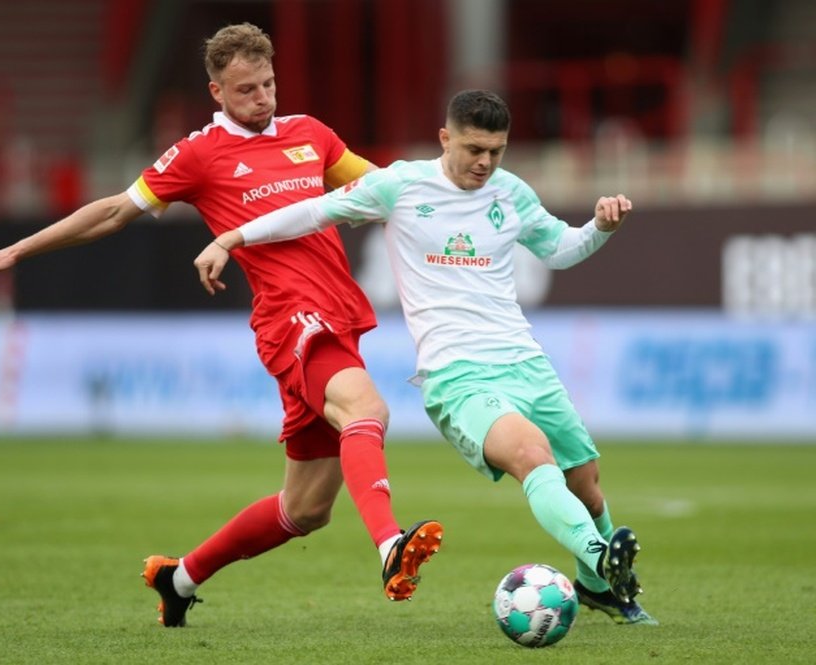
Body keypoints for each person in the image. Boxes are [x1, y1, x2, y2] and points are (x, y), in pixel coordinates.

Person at [0, 22, 442, 628]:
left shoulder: (311, 135)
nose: (262, 98)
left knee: (305, 509)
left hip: (337, 317)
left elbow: (382, 187)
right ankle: (389, 547)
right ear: (216, 92)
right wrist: (18, 251)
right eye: (245, 89)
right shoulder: (199, 154)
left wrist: (452, 189)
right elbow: (115, 210)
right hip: (289, 320)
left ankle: (180, 577)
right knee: (367, 410)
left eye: (268, 84)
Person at [193, 89, 658, 625]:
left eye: (496, 151)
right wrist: (232, 236)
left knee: (587, 481)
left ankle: (598, 586)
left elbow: (560, 248)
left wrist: (600, 228)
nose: (484, 163)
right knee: (532, 455)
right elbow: (312, 212)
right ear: (445, 138)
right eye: (474, 149)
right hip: (456, 374)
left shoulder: (511, 193)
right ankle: (600, 554)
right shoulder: (401, 185)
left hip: (525, 360)